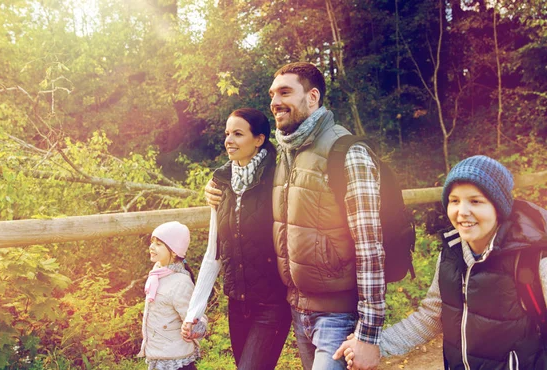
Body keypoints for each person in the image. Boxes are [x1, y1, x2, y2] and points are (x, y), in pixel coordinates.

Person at [205, 63, 385, 370]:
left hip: (336, 315)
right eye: (273, 94)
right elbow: (242, 174)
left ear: (313, 97)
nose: (275, 101)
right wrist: (214, 185)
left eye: (285, 92)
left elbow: (370, 248)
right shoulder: (286, 154)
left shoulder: (347, 152)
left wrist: (368, 334)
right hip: (298, 310)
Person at [339, 155, 547, 369]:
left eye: (475, 201)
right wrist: (373, 344)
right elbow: (432, 316)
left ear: (499, 208)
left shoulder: (532, 258)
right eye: (454, 201)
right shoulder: (451, 254)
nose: (462, 211)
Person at [182, 108, 291, 370]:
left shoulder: (279, 178)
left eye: (238, 134)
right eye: (227, 133)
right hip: (238, 304)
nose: (229, 140)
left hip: (272, 304)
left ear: (259, 139)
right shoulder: (221, 184)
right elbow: (214, 253)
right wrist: (194, 311)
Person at [137, 221, 206, 370]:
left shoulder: (181, 283)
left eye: (159, 244)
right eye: (152, 242)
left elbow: (196, 315)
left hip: (176, 359)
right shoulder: (157, 272)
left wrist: (192, 328)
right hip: (159, 354)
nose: (152, 247)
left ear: (174, 251)